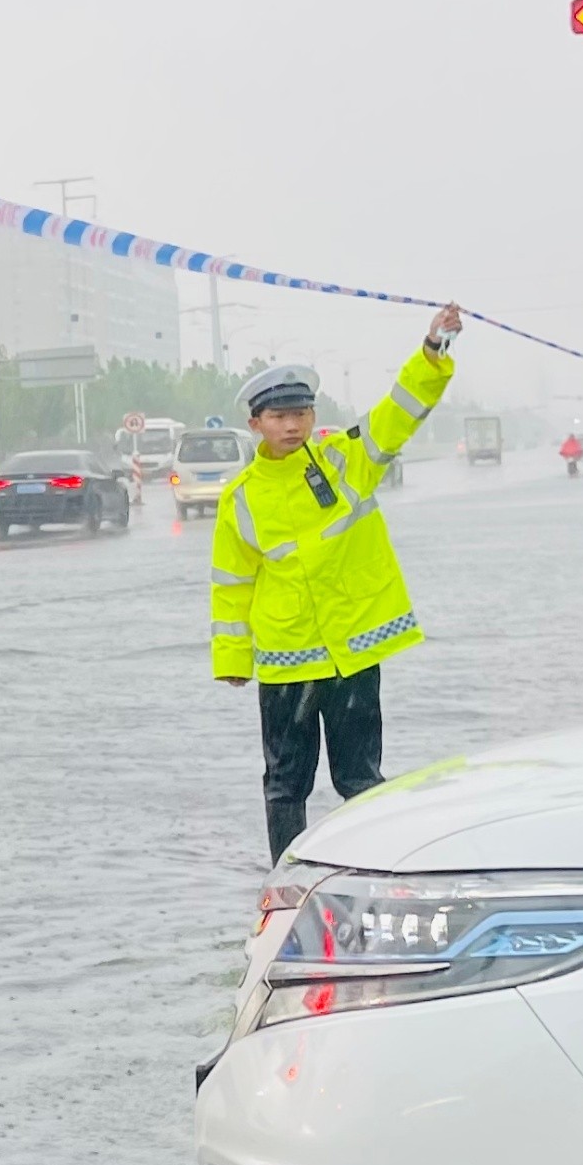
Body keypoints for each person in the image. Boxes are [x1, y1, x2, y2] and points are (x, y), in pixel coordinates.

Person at [211, 307, 464, 860]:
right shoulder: (241, 499)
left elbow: (400, 413)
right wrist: (232, 656)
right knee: (285, 785)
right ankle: (285, 880)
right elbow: (232, 584)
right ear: (256, 424)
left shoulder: (346, 459)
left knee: (361, 779)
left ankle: (372, 866)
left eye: (300, 412)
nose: (292, 425)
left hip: (353, 651)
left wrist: (432, 351)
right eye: (279, 416)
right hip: (287, 658)